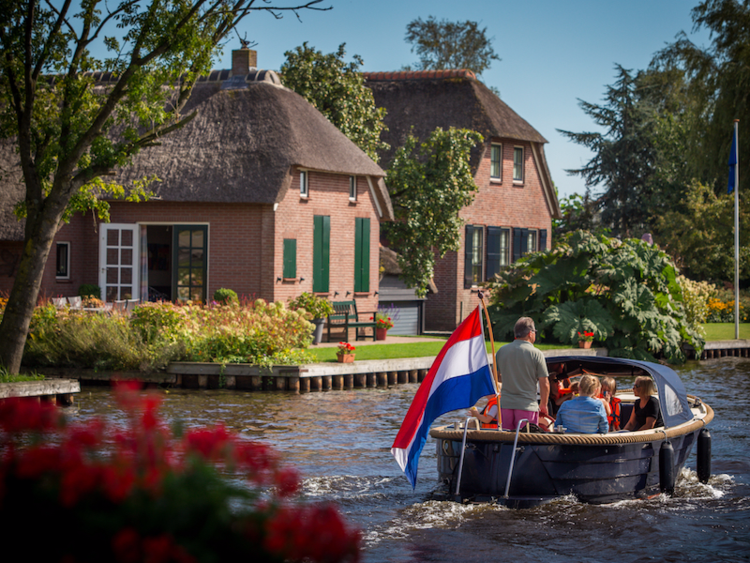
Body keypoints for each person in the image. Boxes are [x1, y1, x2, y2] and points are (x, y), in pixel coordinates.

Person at [495, 317, 549, 431]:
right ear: (530, 333)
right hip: (527, 405)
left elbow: (494, 377)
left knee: (506, 441)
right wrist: (544, 404)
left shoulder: (501, 351)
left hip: (505, 405)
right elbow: (544, 383)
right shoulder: (536, 354)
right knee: (526, 442)